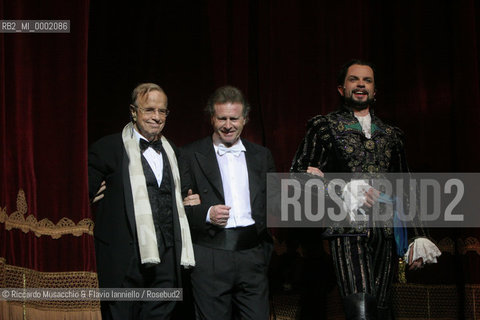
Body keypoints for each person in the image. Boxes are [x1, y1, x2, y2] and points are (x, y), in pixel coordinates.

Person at [291, 60, 441, 319]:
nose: (361, 84)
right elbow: (299, 177)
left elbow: (405, 183)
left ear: (374, 91)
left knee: (381, 308)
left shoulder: (391, 134)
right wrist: (342, 188)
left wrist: (417, 236)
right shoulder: (324, 127)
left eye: (367, 80)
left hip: (386, 229)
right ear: (341, 88)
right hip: (348, 228)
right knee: (361, 306)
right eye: (354, 79)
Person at [88, 83, 196, 320]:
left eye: (162, 111)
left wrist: (193, 202)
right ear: (133, 111)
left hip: (167, 259)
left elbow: (185, 196)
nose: (156, 117)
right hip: (124, 260)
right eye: (149, 110)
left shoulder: (175, 152)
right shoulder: (108, 148)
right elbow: (77, 195)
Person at [181, 85, 275, 320]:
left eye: (234, 118)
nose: (228, 125)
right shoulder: (189, 154)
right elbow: (175, 205)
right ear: (212, 118)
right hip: (210, 255)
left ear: (245, 119)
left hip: (252, 254)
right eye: (222, 118)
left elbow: (274, 202)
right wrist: (206, 212)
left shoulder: (262, 156)